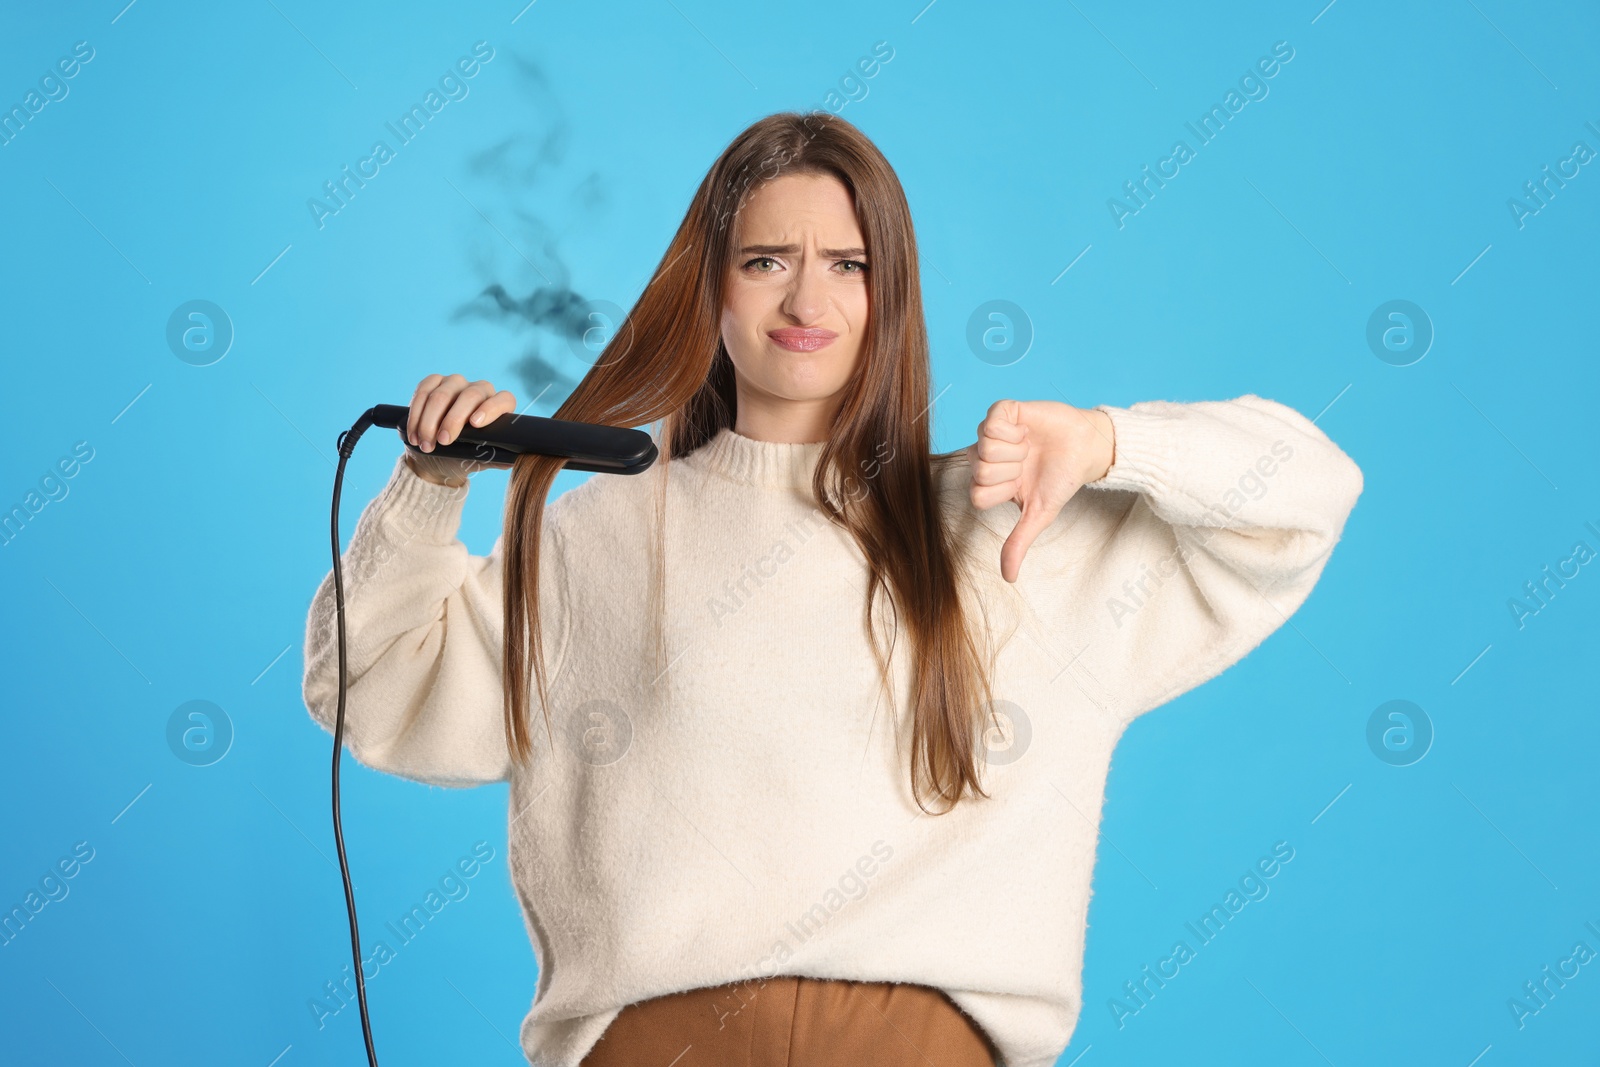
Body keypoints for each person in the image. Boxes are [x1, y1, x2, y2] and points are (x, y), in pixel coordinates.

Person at [301, 111, 1363, 1067]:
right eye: (767, 259)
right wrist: (429, 484)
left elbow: (1308, 492)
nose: (807, 298)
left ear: (888, 290)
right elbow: (378, 693)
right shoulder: (598, 534)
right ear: (709, 280)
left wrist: (1107, 439)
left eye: (848, 264)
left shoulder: (1008, 518)